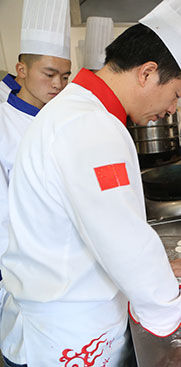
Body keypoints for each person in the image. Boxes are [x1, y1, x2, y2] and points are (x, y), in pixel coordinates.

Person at [0, 0, 181, 365]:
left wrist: (154, 268)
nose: (174, 108)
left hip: (60, 322)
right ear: (146, 73)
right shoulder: (90, 126)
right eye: (176, 93)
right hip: (67, 338)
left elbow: (97, 230)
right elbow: (120, 238)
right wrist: (179, 311)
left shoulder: (76, 112)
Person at [0, 0, 72, 341]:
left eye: (65, 75)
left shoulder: (62, 123)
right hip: (22, 275)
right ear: (21, 70)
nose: (58, 83)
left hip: (70, 272)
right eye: (49, 73)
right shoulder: (3, 126)